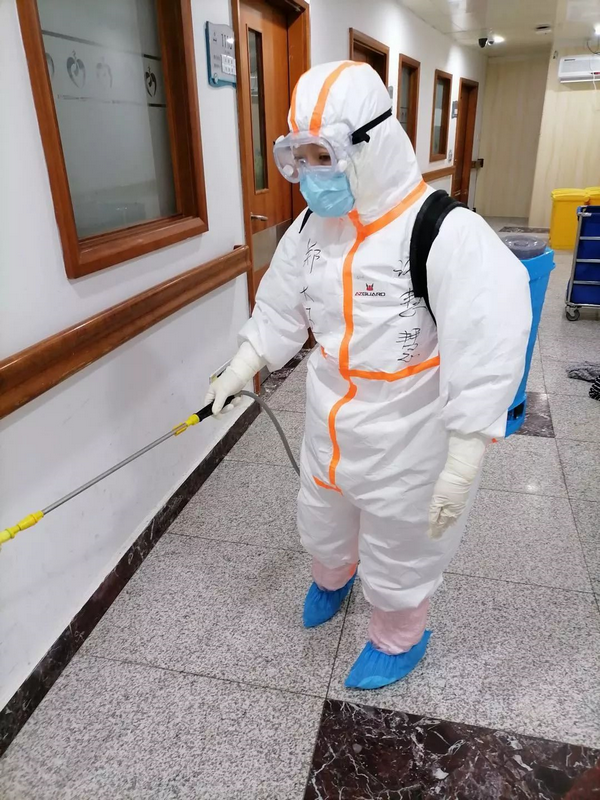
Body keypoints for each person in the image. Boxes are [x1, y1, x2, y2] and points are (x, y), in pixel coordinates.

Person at [206, 61, 531, 690]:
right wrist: (243, 364)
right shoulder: (312, 228)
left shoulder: (442, 231)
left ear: (370, 142)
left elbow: (487, 338)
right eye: (299, 159)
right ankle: (333, 576)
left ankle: (399, 633)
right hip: (329, 416)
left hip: (408, 426)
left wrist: (465, 456)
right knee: (321, 515)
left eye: (323, 157)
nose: (311, 176)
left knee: (401, 542)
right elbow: (280, 305)